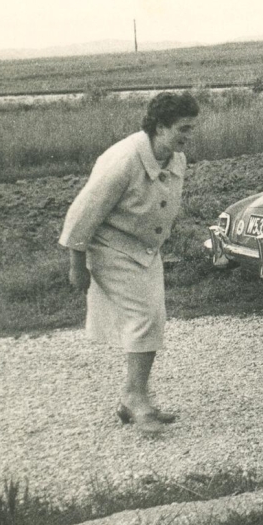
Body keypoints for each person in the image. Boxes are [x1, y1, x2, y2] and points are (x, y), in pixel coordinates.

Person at [59, 92, 199, 434]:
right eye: (183, 128)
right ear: (159, 126)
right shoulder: (123, 159)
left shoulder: (174, 157)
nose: (188, 135)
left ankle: (132, 399)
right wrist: (78, 265)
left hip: (145, 251)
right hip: (110, 247)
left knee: (154, 318)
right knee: (144, 317)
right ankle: (136, 398)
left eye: (192, 128)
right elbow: (81, 214)